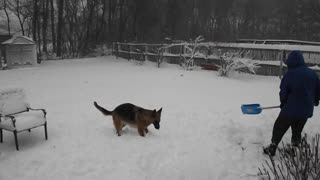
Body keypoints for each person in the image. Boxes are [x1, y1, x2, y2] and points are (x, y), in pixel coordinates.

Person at [263, 50, 320, 156]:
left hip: (290, 109)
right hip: (306, 110)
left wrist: (283, 103)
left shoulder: (290, 74)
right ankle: (294, 148)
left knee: (279, 127)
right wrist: (315, 101)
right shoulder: (312, 73)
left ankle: (273, 146)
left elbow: (283, 92)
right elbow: (318, 90)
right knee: (297, 129)